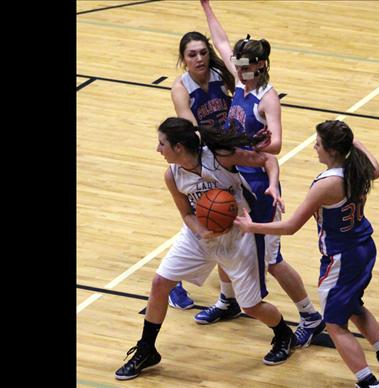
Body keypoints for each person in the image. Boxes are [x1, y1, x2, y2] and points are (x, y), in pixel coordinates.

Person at [114, 117, 296, 380]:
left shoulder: (220, 157)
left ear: (178, 147)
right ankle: (146, 349)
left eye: (161, 143)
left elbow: (267, 159)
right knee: (159, 283)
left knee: (251, 306)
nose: (158, 149)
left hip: (238, 235)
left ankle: (284, 334)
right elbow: (187, 214)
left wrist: (272, 184)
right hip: (198, 235)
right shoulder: (172, 175)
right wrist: (201, 231)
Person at [197, 0, 325, 349]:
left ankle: (310, 316)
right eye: (236, 66)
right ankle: (229, 300)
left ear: (261, 66)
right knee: (224, 236)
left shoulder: (268, 98)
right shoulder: (241, 82)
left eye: (244, 67)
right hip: (235, 180)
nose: (237, 71)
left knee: (271, 260)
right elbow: (221, 42)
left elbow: (279, 142)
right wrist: (206, 6)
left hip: (260, 186)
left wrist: (265, 143)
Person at [234, 120, 379, 388]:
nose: (314, 148)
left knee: (333, 323)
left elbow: (291, 226)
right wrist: (351, 140)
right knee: (353, 304)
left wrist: (252, 227)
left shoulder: (327, 184)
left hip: (341, 258)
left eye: (318, 144)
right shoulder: (359, 168)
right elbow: (377, 170)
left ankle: (368, 383)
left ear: (332, 151)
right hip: (364, 247)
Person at [167, 31, 235, 310]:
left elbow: (242, 89)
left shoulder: (221, 74)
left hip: (224, 152)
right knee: (201, 216)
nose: (199, 58)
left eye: (203, 52)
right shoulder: (181, 88)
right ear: (183, 60)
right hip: (200, 154)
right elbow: (192, 130)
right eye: (192, 54)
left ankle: (230, 285)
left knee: (225, 213)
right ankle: (173, 283)